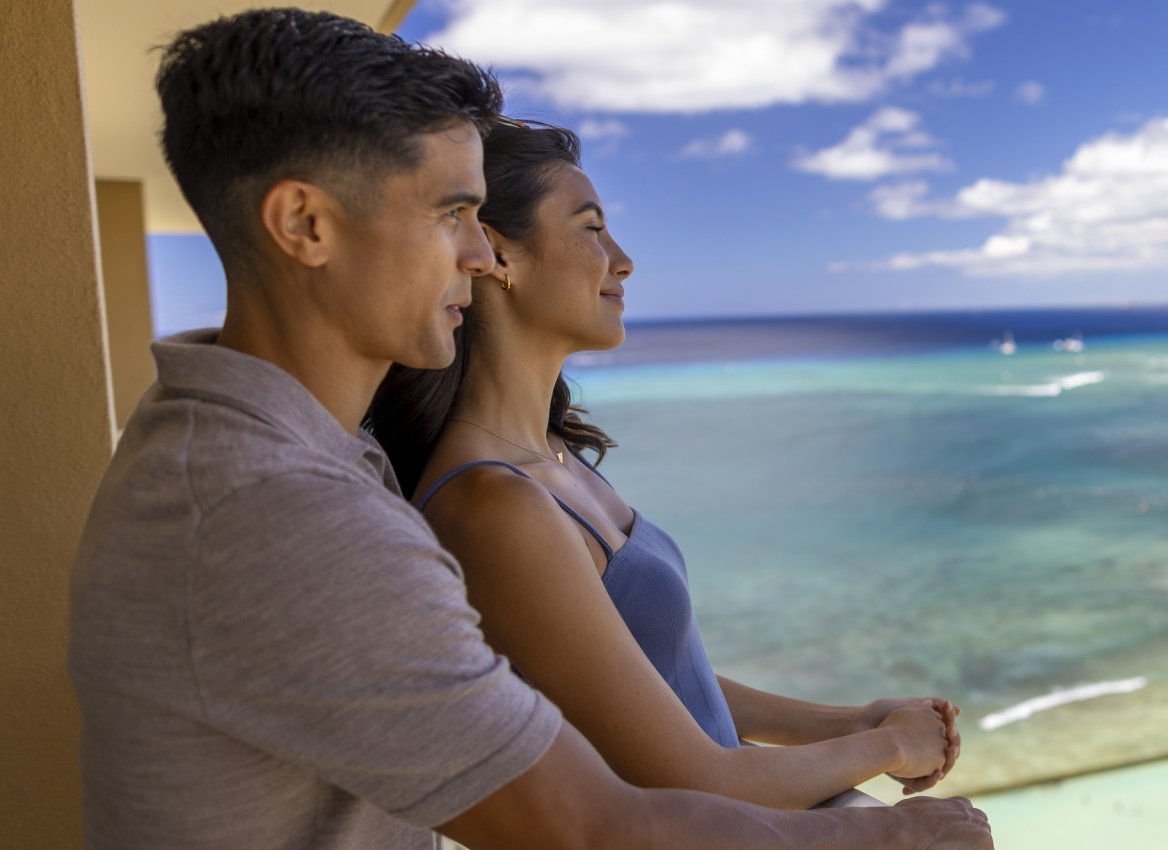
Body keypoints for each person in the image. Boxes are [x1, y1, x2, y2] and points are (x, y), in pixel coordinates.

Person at [65, 9, 991, 849]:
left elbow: (628, 691)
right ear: (306, 223)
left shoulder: (282, 446)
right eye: (451, 214)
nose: (479, 256)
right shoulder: (276, 512)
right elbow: (593, 828)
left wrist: (845, 736)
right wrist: (901, 837)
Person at [366, 120, 963, 811]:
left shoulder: (553, 457)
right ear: (498, 254)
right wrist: (886, 749)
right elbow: (695, 780)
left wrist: (851, 721)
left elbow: (665, 684)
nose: (623, 260)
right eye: (592, 230)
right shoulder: (492, 503)